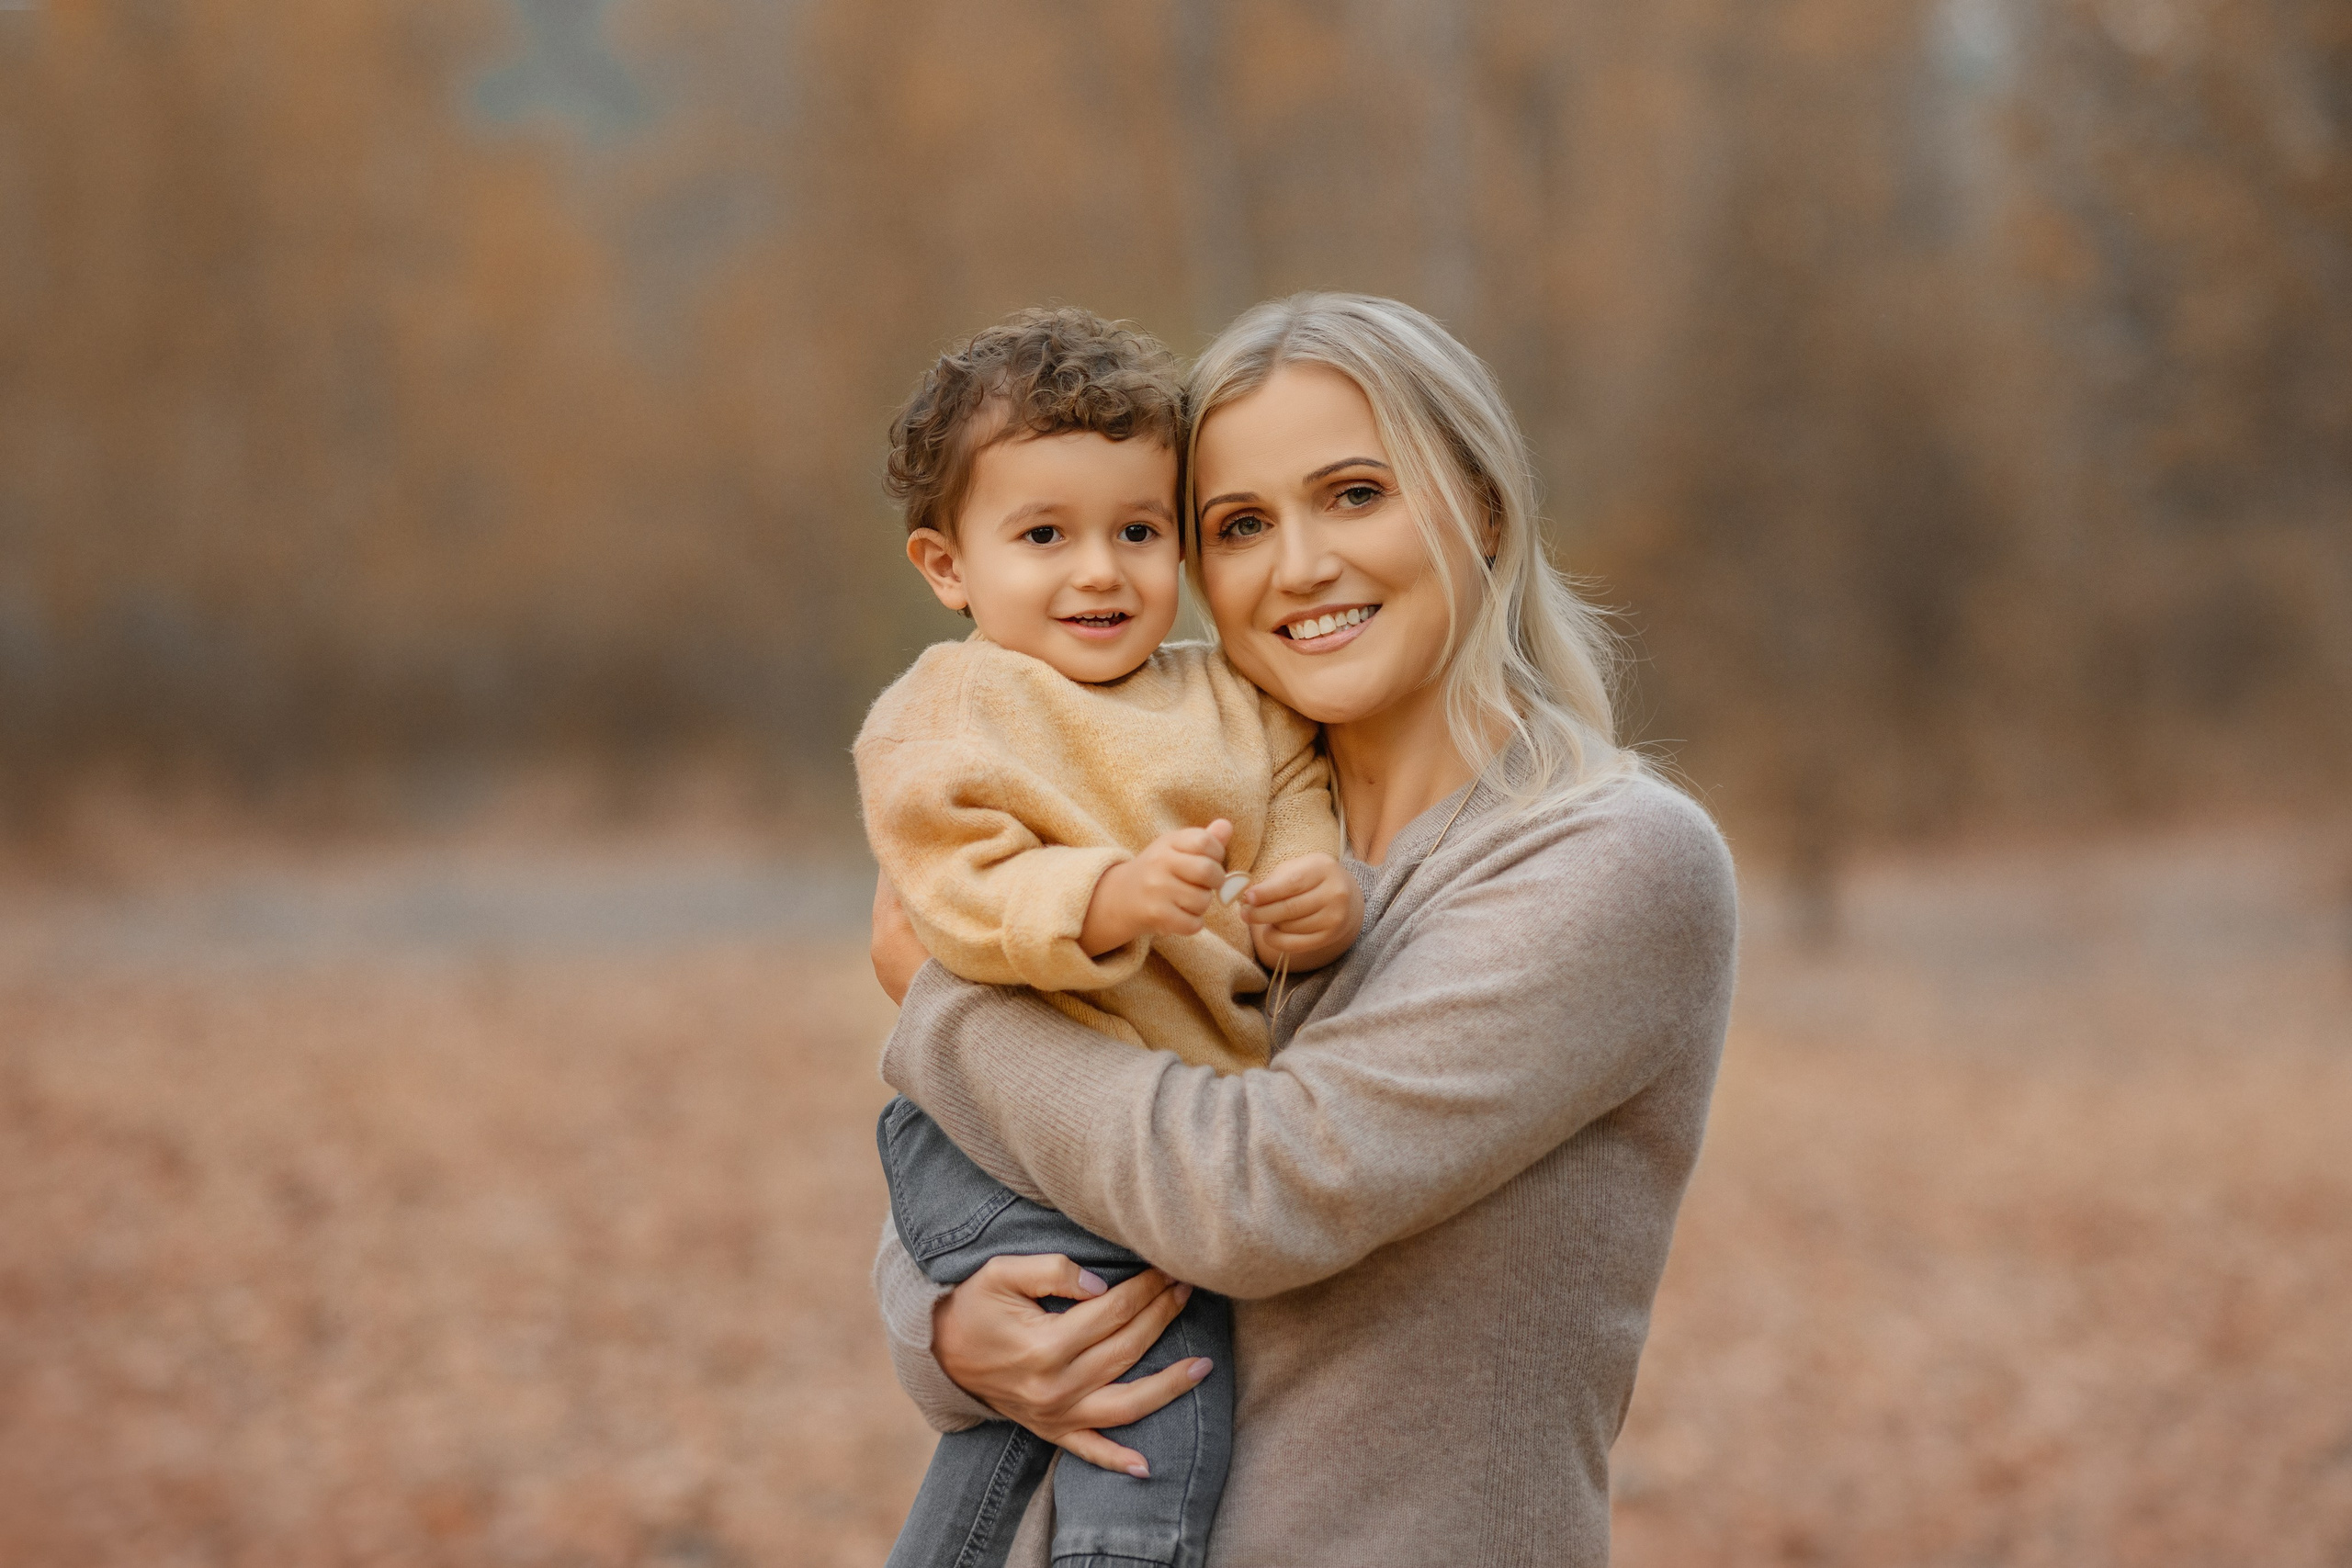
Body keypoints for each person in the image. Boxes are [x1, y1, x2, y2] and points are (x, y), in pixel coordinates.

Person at [868, 293, 1739, 1568]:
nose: (1299, 566)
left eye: (1354, 495)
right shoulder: (1177, 825)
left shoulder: (1612, 860)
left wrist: (937, 998)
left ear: (1481, 505)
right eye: (1238, 525)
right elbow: (994, 1161)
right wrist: (945, 1327)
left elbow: (1256, 1193)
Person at [858, 306, 1365, 1568]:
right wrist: (1100, 901)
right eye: (1044, 536)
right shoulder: (953, 707)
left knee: (1032, 1414)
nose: (1101, 571)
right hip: (991, 1138)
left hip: (1149, 1128)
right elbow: (949, 888)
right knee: (1153, 1379)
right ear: (948, 565)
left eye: (1138, 531)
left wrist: (1316, 880)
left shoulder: (1222, 694)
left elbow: (1297, 789)